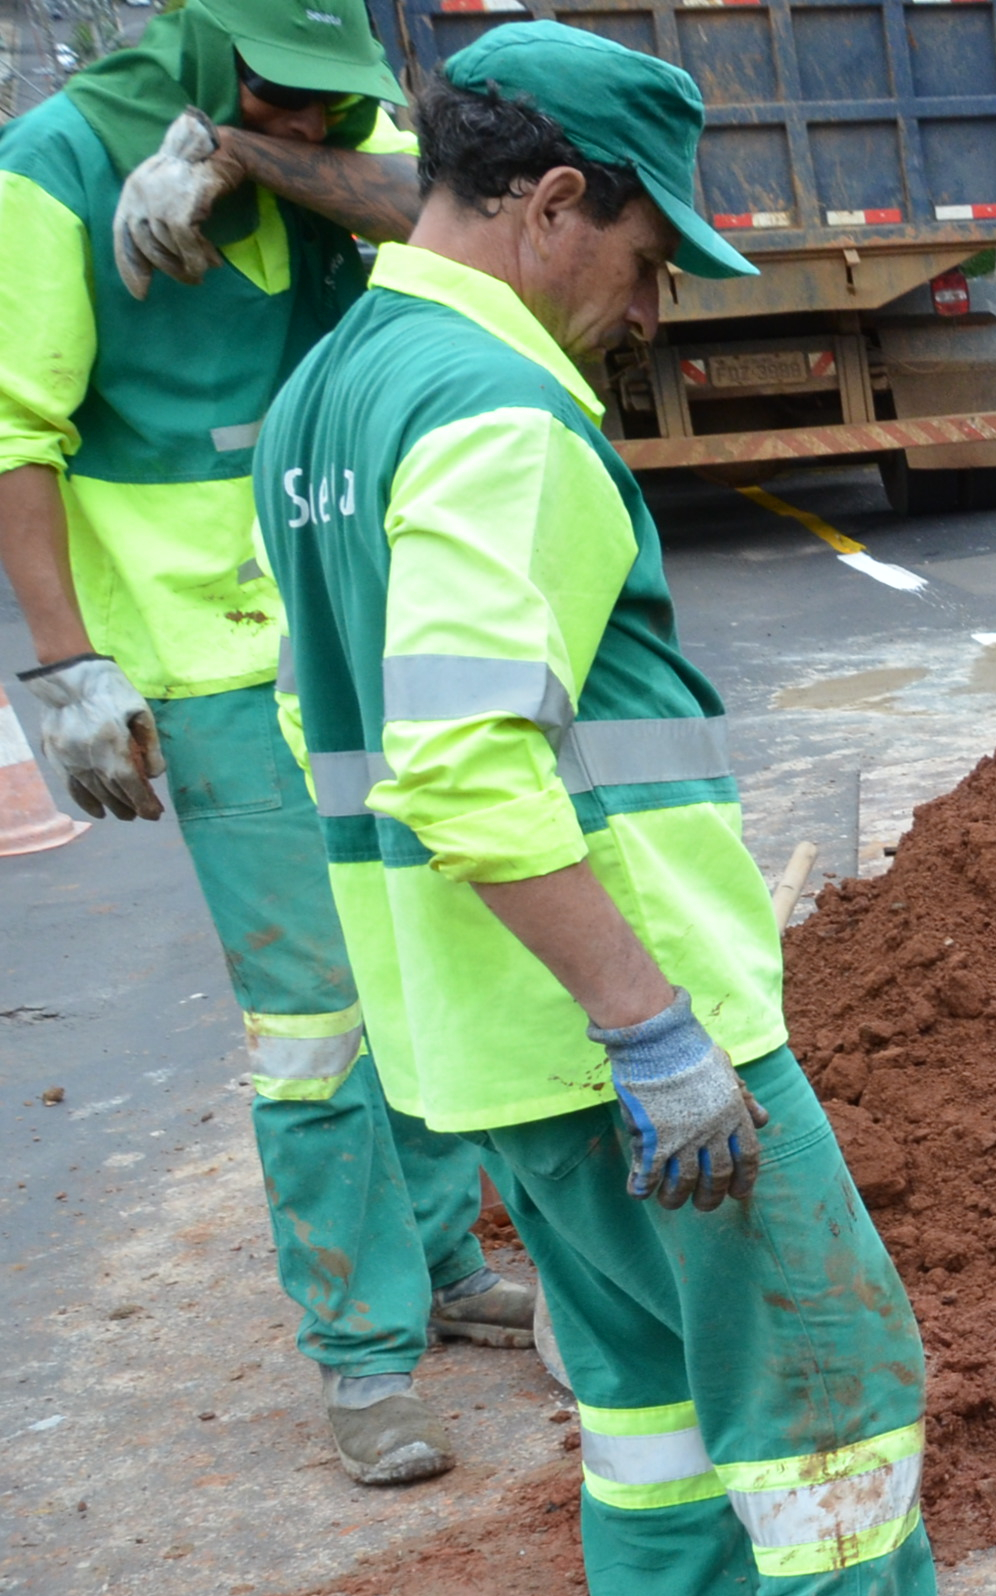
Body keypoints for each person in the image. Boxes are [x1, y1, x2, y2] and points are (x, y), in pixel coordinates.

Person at [260, 21, 996, 1596]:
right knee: (828, 1387)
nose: (648, 310)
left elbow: (345, 718)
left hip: (473, 1029)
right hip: (622, 1021)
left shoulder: (329, 392)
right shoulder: (498, 412)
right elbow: (468, 757)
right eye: (644, 261)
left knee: (642, 1397)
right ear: (556, 203)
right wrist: (655, 1031)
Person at [0, 0, 535, 1485]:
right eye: (275, 98)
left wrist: (243, 157)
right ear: (197, 47)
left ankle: (438, 1268)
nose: (320, 120)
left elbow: (429, 207)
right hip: (201, 660)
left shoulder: (320, 133)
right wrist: (67, 668)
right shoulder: (47, 167)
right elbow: (12, 434)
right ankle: (362, 1361)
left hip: (352, 626)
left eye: (328, 101)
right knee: (313, 1017)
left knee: (418, 954)